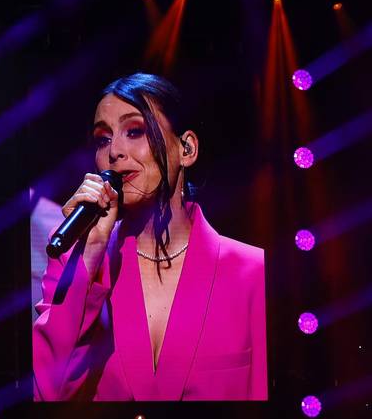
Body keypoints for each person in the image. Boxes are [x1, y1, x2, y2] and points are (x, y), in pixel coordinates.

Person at [32, 72, 266, 401]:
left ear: (186, 148)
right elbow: (45, 392)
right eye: (103, 139)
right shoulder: (79, 264)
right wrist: (92, 250)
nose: (114, 151)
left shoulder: (252, 271)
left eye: (135, 131)